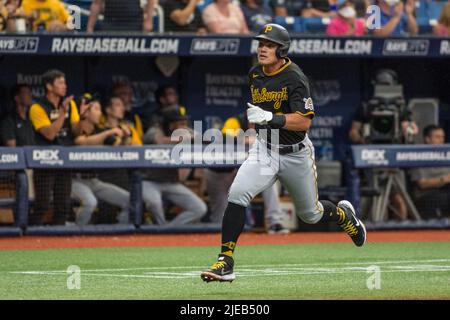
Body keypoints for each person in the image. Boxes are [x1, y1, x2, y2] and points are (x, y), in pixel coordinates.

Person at [200, 23, 366, 283]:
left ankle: (345, 216)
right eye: (261, 44)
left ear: (282, 49)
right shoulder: (255, 73)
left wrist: (271, 118)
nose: (262, 49)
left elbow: (304, 122)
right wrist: (257, 124)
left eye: (269, 45)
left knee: (310, 215)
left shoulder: (295, 77)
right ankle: (226, 261)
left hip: (295, 153)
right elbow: (257, 112)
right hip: (265, 149)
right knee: (237, 194)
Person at [206, 113, 289, 234]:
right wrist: (247, 139)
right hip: (223, 172)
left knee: (269, 178)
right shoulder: (235, 121)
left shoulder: (267, 124)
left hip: (243, 171)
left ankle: (275, 222)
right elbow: (225, 138)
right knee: (220, 220)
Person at [28, 69, 83, 225]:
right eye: (60, 83)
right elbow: (50, 134)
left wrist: (82, 117)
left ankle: (57, 240)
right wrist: (62, 114)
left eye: (64, 82)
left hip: (65, 160)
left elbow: (77, 132)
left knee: (63, 205)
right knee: (43, 205)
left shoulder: (70, 104)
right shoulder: (37, 107)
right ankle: (30, 236)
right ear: (49, 86)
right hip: (45, 161)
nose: (64, 86)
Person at [141, 106, 207, 226]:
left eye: (185, 122)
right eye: (180, 123)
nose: (184, 125)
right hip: (149, 181)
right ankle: (160, 229)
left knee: (199, 208)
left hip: (171, 182)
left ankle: (168, 229)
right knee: (154, 203)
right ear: (170, 124)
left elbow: (205, 140)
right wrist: (181, 139)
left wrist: (196, 137)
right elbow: (158, 141)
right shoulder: (155, 130)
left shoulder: (185, 131)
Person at [71, 94, 131, 225]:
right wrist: (109, 132)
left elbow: (117, 147)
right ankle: (75, 234)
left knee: (129, 200)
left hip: (93, 180)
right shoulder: (76, 130)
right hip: (74, 180)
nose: (100, 113)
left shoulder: (99, 130)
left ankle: (120, 234)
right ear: (86, 112)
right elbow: (82, 142)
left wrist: (125, 138)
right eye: (96, 109)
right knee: (90, 202)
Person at [410, 125, 450, 219]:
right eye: (437, 137)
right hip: (427, 195)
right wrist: (443, 180)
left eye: (442, 137)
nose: (441, 140)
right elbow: (422, 184)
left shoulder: (446, 154)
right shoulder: (418, 156)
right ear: (427, 139)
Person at [87, 0, 155, 33]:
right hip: (110, 23)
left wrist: (149, 20)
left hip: (134, 23)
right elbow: (97, 4)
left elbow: (151, 1)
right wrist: (90, 28)